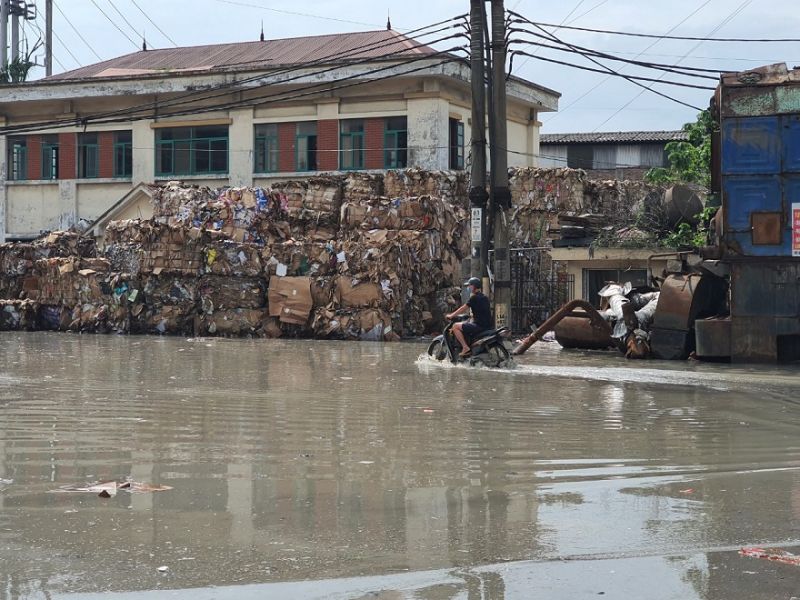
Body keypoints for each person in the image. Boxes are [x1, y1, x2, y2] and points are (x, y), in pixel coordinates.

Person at [446, 277, 492, 358]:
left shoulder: (474, 298)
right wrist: (472, 316)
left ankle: (465, 347)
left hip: (479, 326)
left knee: (455, 326)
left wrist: (451, 315)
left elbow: (463, 308)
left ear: (474, 286)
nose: (468, 288)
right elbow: (482, 311)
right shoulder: (484, 297)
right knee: (466, 323)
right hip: (487, 326)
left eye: (469, 286)